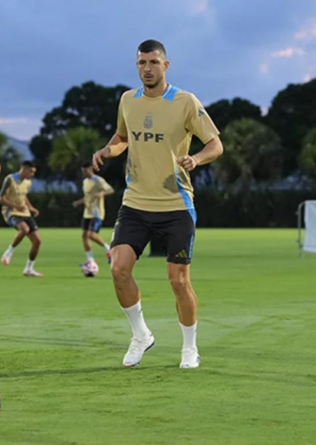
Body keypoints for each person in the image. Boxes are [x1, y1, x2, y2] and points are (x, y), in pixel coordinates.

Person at [92, 39, 224, 369]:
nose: (147, 68)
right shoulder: (127, 100)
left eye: (153, 62)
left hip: (176, 205)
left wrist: (195, 159)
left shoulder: (185, 102)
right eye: (141, 63)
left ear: (166, 65)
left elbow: (215, 144)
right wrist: (107, 151)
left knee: (179, 281)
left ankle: (189, 348)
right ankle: (141, 335)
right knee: (118, 269)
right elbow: (123, 137)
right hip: (135, 203)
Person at [0, 161, 43, 277]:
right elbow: (1, 199)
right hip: (11, 212)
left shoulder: (28, 182)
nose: (32, 174)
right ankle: (8, 253)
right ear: (23, 168)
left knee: (37, 242)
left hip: (24, 212)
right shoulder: (10, 179)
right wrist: (16, 206)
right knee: (24, 229)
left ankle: (29, 269)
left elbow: (23, 197)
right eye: (31, 171)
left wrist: (31, 208)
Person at [73, 161, 115, 268]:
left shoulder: (98, 180)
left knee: (91, 235)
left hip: (96, 213)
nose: (83, 173)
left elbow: (111, 190)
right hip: (87, 213)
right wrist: (79, 202)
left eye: (85, 171)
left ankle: (110, 250)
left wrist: (102, 193)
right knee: (84, 236)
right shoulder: (85, 182)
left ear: (90, 169)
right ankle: (90, 260)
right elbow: (88, 196)